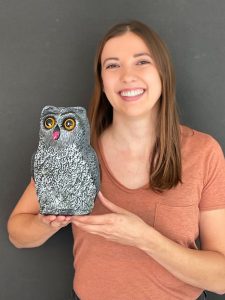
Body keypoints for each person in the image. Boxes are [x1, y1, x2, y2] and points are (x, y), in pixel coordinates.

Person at [7, 20, 225, 300]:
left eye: (141, 62)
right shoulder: (73, 150)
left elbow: (221, 279)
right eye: (112, 65)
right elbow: (17, 233)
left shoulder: (203, 152)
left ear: (163, 72)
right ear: (102, 80)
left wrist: (145, 239)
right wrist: (50, 222)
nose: (127, 76)